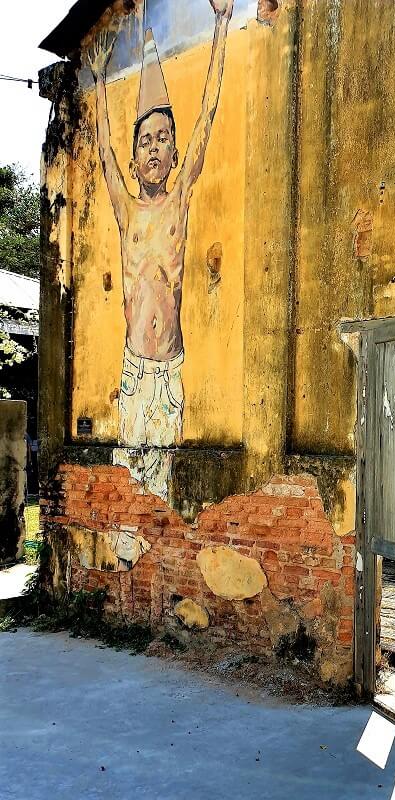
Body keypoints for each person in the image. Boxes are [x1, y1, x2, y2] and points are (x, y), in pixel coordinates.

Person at [89, 0, 235, 501]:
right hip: (133, 371)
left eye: (163, 139)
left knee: (163, 498)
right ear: (135, 158)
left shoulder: (179, 204)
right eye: (146, 140)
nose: (154, 148)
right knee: (130, 499)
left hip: (170, 368)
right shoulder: (127, 211)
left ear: (174, 154)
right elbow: (103, 153)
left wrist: (220, 25)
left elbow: (208, 114)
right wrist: (101, 83)